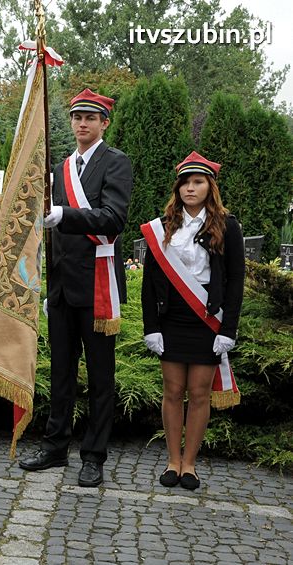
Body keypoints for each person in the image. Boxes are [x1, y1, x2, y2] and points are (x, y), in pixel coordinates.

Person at [19, 89, 133, 488]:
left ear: (104, 123)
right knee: (61, 372)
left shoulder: (116, 163)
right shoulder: (61, 166)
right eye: (77, 117)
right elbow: (53, 233)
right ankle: (54, 445)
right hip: (63, 286)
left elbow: (113, 218)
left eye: (91, 118)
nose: (82, 124)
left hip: (99, 285)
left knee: (101, 377)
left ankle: (94, 455)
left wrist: (63, 214)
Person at [141, 151, 244, 490]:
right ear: (178, 188)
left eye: (197, 182)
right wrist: (151, 326)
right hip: (172, 317)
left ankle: (190, 464)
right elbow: (149, 281)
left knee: (199, 393)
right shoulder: (165, 225)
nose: (190, 188)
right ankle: (172, 460)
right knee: (173, 391)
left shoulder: (227, 226)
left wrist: (228, 329)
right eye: (185, 182)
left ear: (209, 187)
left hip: (207, 317)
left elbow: (235, 280)